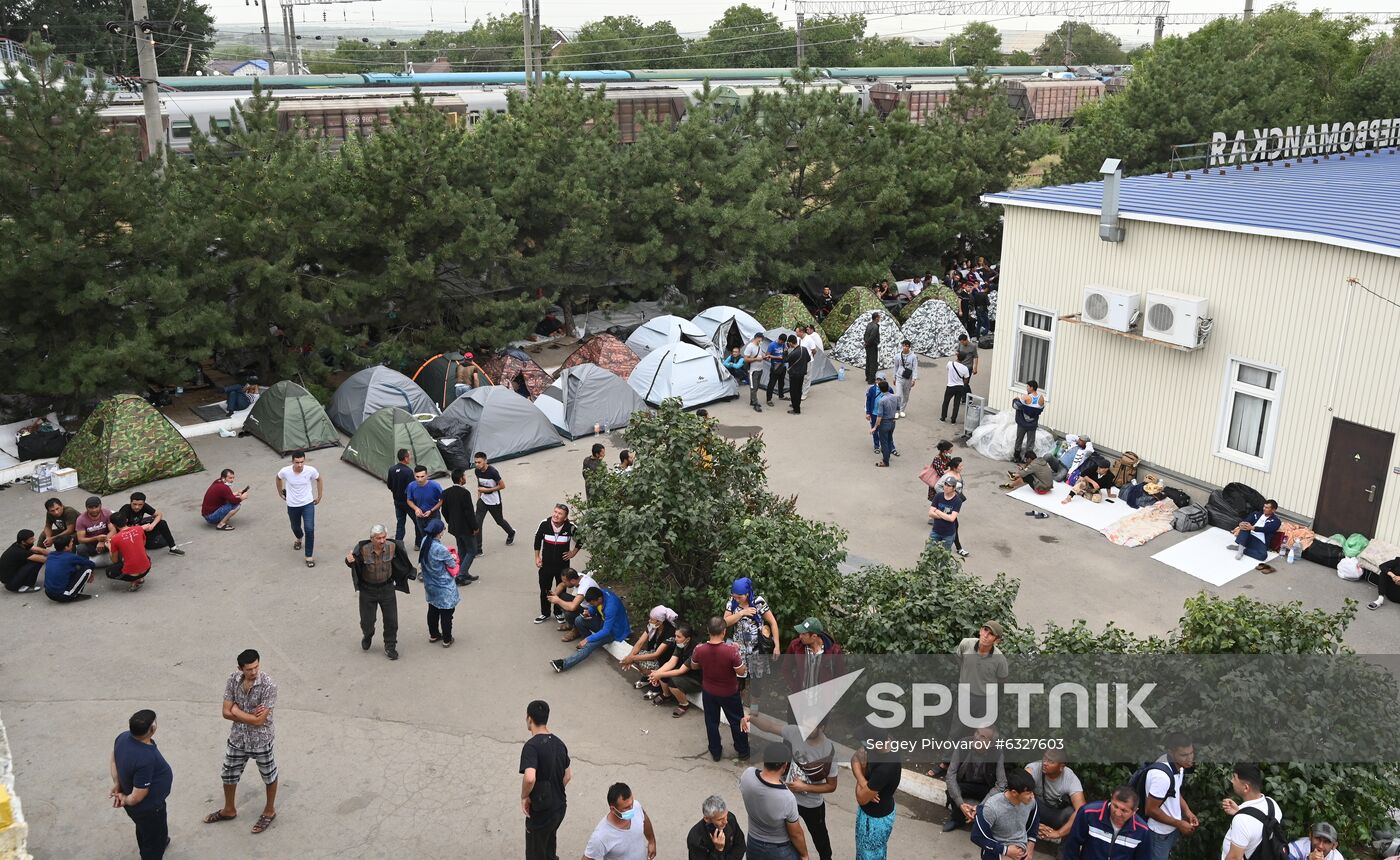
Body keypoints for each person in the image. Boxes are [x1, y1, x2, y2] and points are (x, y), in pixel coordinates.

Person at [741, 710, 837, 860]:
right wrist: (750, 719)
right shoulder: (795, 732)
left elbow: (831, 786)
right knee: (790, 834)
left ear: (822, 728)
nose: (804, 730)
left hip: (812, 804)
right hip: (789, 798)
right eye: (804, 725)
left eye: (810, 727)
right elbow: (770, 726)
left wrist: (804, 787)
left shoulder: (828, 750)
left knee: (820, 837)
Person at [205, 649, 278, 835]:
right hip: (238, 738)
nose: (254, 672)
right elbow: (224, 712)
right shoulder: (233, 680)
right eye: (249, 669)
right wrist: (247, 715)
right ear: (240, 668)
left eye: (256, 667)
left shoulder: (268, 685)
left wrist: (237, 712)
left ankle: (269, 811)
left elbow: (259, 721)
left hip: (261, 740)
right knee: (228, 774)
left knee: (268, 775)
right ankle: (229, 809)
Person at [110, 708, 173, 860]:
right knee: (153, 841)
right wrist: (125, 798)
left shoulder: (123, 737)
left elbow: (113, 760)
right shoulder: (145, 758)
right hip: (149, 808)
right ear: (152, 730)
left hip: (139, 808)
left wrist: (117, 783)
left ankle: (157, 840)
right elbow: (138, 796)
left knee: (145, 829)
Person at [344, 524, 412, 660]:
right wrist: (348, 560)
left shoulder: (392, 547)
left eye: (384, 537)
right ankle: (368, 634)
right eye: (378, 538)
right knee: (367, 621)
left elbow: (402, 560)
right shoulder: (363, 549)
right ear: (371, 539)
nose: (382, 541)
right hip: (368, 590)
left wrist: (407, 573)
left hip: (387, 588)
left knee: (391, 620)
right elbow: (353, 561)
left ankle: (390, 646)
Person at [689, 616, 750, 763]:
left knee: (711, 722)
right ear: (724, 632)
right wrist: (738, 653)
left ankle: (715, 751)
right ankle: (743, 750)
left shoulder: (699, 649)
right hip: (729, 692)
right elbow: (741, 672)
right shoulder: (731, 651)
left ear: (708, 630)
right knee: (737, 721)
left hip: (709, 691)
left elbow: (694, 666)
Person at [740, 742, 811, 860]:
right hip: (779, 850)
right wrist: (804, 855)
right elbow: (795, 834)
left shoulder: (747, 775)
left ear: (764, 758)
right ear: (785, 765)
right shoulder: (786, 797)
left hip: (753, 842)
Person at [521, 699, 572, 860]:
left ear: (529, 719)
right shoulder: (559, 744)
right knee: (549, 843)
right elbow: (568, 775)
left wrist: (525, 796)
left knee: (536, 851)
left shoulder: (531, 747)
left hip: (542, 811)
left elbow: (530, 778)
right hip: (559, 808)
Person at [1143, 733, 1199, 860]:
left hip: (1170, 829)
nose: (1189, 758)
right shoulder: (1161, 776)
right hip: (1158, 833)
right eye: (1184, 755)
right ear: (1172, 753)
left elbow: (1175, 792)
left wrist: (1188, 812)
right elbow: (1150, 810)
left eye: (1191, 753)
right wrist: (1179, 824)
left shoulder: (1179, 766)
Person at [551, 585, 629, 673]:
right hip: (603, 623)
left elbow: (606, 631)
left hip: (613, 631)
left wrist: (588, 640)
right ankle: (588, 646)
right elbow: (594, 607)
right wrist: (589, 611)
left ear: (599, 599)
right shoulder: (601, 594)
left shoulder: (611, 607)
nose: (591, 605)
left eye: (592, 603)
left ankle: (563, 664)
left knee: (590, 644)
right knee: (579, 620)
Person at [1062, 786, 1152, 860]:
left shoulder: (1143, 831)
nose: (1117, 813)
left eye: (1124, 811)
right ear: (1111, 798)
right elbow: (1072, 845)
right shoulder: (1088, 813)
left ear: (1134, 811)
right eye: (1115, 806)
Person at [944, 725, 1008, 831]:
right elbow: (950, 775)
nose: (977, 738)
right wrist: (961, 804)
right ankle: (956, 820)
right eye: (977, 733)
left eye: (983, 737)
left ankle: (981, 821)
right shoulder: (963, 744)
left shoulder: (997, 753)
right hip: (965, 783)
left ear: (991, 743)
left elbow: (1001, 784)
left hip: (985, 787)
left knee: (999, 797)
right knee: (953, 790)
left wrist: (980, 807)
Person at [853, 729, 902, 860]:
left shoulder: (886, 768)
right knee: (865, 852)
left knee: (870, 854)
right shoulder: (881, 741)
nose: (864, 746)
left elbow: (861, 798)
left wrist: (862, 770)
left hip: (875, 821)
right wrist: (864, 782)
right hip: (867, 814)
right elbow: (855, 758)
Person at [971, 769, 1040, 860]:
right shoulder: (992, 807)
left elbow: (1034, 823)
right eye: (1028, 793)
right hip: (997, 850)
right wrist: (1006, 850)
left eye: (1032, 792)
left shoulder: (1030, 802)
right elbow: (976, 837)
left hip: (1021, 850)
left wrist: (1030, 848)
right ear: (1014, 793)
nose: (1032, 796)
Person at [1219, 763, 1281, 860]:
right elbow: (1260, 828)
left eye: (1234, 778)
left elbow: (1235, 858)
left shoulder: (1242, 820)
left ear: (1246, 788)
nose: (1232, 781)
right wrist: (1239, 811)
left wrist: (1240, 816)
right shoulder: (1272, 804)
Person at [724, 577, 779, 684]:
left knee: (756, 683)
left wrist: (777, 646)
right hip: (739, 650)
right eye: (735, 596)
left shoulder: (758, 602)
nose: (737, 599)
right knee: (739, 682)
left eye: (740, 597)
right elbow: (724, 623)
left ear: (747, 594)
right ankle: (741, 700)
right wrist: (741, 613)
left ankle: (754, 700)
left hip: (757, 649)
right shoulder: (732, 603)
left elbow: (773, 622)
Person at [533, 503, 580, 624]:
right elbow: (537, 540)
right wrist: (537, 557)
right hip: (546, 565)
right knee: (545, 589)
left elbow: (581, 538)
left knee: (562, 589)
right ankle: (545, 613)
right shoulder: (544, 524)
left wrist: (573, 553)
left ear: (565, 517)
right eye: (555, 512)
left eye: (560, 514)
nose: (556, 515)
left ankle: (558, 612)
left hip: (562, 567)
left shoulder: (570, 527)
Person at [584, 783, 656, 860]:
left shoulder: (636, 806)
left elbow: (644, 819)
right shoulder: (600, 838)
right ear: (613, 809)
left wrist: (651, 841)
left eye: (632, 804)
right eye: (626, 808)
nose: (632, 809)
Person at [276, 451, 322, 568]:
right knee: (295, 527)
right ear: (292, 461)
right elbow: (278, 478)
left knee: (310, 529)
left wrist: (319, 496)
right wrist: (280, 492)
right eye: (297, 462)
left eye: (302, 462)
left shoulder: (310, 470)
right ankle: (299, 538)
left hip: (308, 504)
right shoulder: (285, 471)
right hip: (292, 505)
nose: (300, 465)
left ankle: (309, 556)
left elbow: (319, 479)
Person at [1027, 750, 1086, 841]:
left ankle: (1064, 853)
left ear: (1061, 767)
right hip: (1034, 810)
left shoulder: (1070, 778)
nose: (1045, 763)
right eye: (1045, 758)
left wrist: (1058, 833)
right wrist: (1033, 822)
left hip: (1057, 814)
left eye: (1051, 761)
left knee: (1072, 813)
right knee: (1022, 797)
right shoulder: (1033, 768)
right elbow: (1018, 790)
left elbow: (1081, 810)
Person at [418, 519, 459, 648]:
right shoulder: (441, 549)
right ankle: (447, 638)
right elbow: (452, 564)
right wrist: (453, 557)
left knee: (433, 609)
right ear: (439, 532)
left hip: (430, 583)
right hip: (443, 585)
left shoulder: (425, 541)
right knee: (447, 612)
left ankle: (434, 634)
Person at [646, 622, 701, 716]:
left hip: (695, 679)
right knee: (663, 671)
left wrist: (659, 674)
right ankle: (667, 695)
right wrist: (657, 672)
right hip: (684, 672)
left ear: (687, 639)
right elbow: (671, 662)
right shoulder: (680, 644)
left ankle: (684, 704)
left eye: (678, 637)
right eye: (675, 636)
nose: (675, 639)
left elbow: (681, 671)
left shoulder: (695, 650)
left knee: (672, 681)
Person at [619, 605, 677, 689]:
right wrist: (630, 657)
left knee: (638, 660)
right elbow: (640, 642)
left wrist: (632, 658)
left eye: (651, 619)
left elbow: (657, 655)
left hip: (664, 660)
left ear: (659, 622)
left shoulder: (670, 632)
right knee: (636, 655)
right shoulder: (652, 626)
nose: (649, 621)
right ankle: (649, 677)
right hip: (653, 653)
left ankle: (657, 685)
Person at [783, 617, 846, 691]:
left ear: (814, 637)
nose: (800, 636)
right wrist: (794, 687)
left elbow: (840, 676)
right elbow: (786, 668)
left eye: (804, 634)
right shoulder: (795, 646)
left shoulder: (834, 651)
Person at [440, 467, 479, 585]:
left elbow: (444, 511)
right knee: (472, 551)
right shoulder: (465, 493)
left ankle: (462, 572)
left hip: (455, 528)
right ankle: (461, 575)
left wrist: (450, 521)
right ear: (461, 479)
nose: (465, 478)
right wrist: (475, 527)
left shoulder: (446, 493)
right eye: (464, 476)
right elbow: (469, 513)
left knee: (462, 550)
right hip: (466, 528)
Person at [473, 452, 516, 552]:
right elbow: (479, 485)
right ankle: (478, 549)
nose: (477, 464)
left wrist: (487, 490)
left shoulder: (493, 472)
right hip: (483, 501)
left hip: (494, 502)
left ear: (485, 461)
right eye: (475, 462)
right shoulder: (477, 471)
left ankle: (511, 532)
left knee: (499, 521)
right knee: (477, 524)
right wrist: (479, 498)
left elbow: (502, 486)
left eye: (479, 462)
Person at [114, 492, 182, 556]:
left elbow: (159, 514)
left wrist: (152, 525)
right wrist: (141, 528)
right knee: (152, 544)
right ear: (130, 502)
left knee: (162, 523)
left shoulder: (144, 506)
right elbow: (122, 529)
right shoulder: (125, 510)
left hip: (140, 529)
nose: (137, 507)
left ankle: (173, 548)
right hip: (129, 535)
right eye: (134, 504)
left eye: (140, 505)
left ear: (143, 503)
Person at [687, 794, 747, 860]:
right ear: (707, 819)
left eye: (726, 815)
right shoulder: (696, 839)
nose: (725, 821)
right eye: (720, 819)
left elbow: (740, 845)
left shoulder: (730, 818)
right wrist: (718, 850)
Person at [549, 567, 601, 640]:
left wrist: (557, 600)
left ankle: (576, 630)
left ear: (573, 581)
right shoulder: (577, 576)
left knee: (569, 612)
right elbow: (562, 585)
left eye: (565, 581)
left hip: (591, 610)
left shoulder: (585, 586)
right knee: (560, 596)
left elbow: (573, 607)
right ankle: (571, 624)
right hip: (581, 604)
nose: (563, 583)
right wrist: (555, 594)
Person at [108, 511, 154, 592]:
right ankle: (141, 578)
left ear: (114, 525)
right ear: (126, 520)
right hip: (146, 567)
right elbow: (143, 544)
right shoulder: (139, 529)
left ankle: (134, 581)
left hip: (132, 574)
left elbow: (114, 560)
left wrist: (109, 547)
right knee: (143, 556)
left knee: (109, 571)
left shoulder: (115, 539)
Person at [42, 534, 96, 603]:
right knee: (87, 569)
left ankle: (70, 591)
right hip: (62, 595)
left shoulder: (51, 555)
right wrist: (92, 573)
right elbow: (91, 564)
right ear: (66, 547)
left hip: (48, 593)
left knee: (73, 568)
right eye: (71, 543)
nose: (72, 544)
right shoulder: (71, 557)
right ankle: (73, 594)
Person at [934, 458, 971, 557]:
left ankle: (935, 547)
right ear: (954, 467)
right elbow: (937, 486)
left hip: (955, 502)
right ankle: (958, 548)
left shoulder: (957, 474)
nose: (962, 468)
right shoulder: (948, 476)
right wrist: (946, 496)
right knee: (953, 525)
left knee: (951, 525)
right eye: (960, 466)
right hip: (948, 505)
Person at [1227, 500, 1281, 566]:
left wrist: (1253, 528)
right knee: (1245, 527)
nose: (1264, 509)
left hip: (1260, 541)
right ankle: (1240, 551)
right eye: (1264, 506)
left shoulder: (1276, 521)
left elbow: (1267, 529)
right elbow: (1247, 520)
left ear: (1273, 510)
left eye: (1267, 508)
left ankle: (1242, 549)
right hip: (1248, 536)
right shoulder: (1256, 514)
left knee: (1263, 556)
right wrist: (1241, 524)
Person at [403, 465, 444, 549]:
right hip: (420, 517)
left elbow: (442, 500)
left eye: (422, 476)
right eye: (417, 477)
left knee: (434, 538)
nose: (420, 479)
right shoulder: (411, 486)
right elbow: (409, 500)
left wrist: (431, 510)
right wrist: (416, 509)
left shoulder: (435, 486)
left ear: (427, 475)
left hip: (433, 515)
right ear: (414, 475)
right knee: (424, 538)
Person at [1013, 383, 1046, 464]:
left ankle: (1016, 457)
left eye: (1028, 386)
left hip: (1022, 423)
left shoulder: (1026, 397)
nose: (1026, 388)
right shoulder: (1041, 398)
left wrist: (1015, 399)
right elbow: (1041, 408)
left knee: (1019, 440)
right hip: (1032, 424)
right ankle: (1027, 459)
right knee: (1030, 442)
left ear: (1031, 388)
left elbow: (1016, 406)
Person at [386, 448, 415, 543]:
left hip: (397, 502)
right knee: (417, 522)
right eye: (409, 456)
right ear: (406, 458)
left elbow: (389, 485)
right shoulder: (409, 472)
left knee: (400, 523)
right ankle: (418, 543)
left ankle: (398, 544)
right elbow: (412, 489)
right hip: (408, 503)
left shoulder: (392, 469)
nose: (411, 457)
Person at [928, 479, 963, 550]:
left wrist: (937, 511)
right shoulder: (938, 496)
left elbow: (951, 519)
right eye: (945, 484)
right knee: (929, 552)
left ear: (953, 488)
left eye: (949, 486)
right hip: (935, 531)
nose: (946, 487)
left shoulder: (957, 501)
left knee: (944, 556)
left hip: (948, 535)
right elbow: (930, 513)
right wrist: (946, 516)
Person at [871, 378, 899, 467]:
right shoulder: (895, 397)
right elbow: (898, 409)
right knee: (889, 439)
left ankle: (885, 461)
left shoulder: (882, 401)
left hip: (884, 423)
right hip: (892, 422)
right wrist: (895, 418)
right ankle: (888, 455)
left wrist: (875, 427)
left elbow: (879, 416)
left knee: (884, 443)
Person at [784, 335, 811, 415]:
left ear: (790, 343)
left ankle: (796, 410)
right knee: (799, 390)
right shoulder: (804, 349)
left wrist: (785, 351)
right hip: (802, 373)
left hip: (794, 374)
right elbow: (808, 359)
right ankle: (796, 404)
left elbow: (786, 360)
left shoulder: (794, 353)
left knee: (793, 391)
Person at [941, 356, 971, 425]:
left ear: (957, 356)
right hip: (960, 387)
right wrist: (962, 383)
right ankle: (953, 420)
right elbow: (966, 379)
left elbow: (947, 369)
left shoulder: (950, 364)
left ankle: (943, 417)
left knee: (946, 402)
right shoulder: (965, 368)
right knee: (956, 404)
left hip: (950, 386)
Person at [892, 340, 918, 418]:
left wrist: (914, 379)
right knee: (898, 395)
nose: (905, 348)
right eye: (904, 346)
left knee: (906, 396)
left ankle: (902, 410)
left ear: (909, 347)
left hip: (908, 378)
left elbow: (915, 368)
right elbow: (895, 366)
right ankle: (896, 410)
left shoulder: (913, 356)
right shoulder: (897, 356)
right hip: (899, 377)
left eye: (907, 346)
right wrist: (894, 377)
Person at [744, 332, 767, 412]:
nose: (762, 340)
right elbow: (746, 359)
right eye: (761, 339)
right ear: (757, 337)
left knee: (756, 387)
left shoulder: (759, 346)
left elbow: (760, 355)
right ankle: (755, 403)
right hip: (753, 371)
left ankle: (752, 401)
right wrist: (756, 359)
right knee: (753, 387)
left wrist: (764, 357)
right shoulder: (750, 346)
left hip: (760, 369)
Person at [865, 374, 887, 454]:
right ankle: (876, 446)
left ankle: (887, 446)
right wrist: (868, 413)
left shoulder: (888, 389)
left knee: (885, 430)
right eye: (877, 379)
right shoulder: (872, 389)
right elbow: (868, 401)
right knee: (875, 430)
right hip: (874, 413)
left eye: (880, 380)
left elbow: (892, 400)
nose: (878, 381)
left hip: (884, 414)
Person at [766, 334, 789, 406]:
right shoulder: (772, 345)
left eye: (783, 342)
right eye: (781, 341)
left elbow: (785, 355)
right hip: (775, 367)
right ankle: (769, 399)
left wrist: (786, 352)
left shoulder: (784, 345)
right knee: (772, 383)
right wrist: (777, 357)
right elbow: (767, 356)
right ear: (778, 339)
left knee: (781, 382)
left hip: (783, 366)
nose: (781, 343)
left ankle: (781, 396)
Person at [863, 313, 882, 384]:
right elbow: (872, 336)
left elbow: (865, 334)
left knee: (868, 361)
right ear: (876, 318)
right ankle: (871, 379)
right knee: (873, 363)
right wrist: (868, 343)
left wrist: (865, 342)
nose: (879, 319)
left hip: (867, 346)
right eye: (879, 317)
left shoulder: (869, 324)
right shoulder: (875, 327)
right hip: (872, 346)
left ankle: (867, 376)